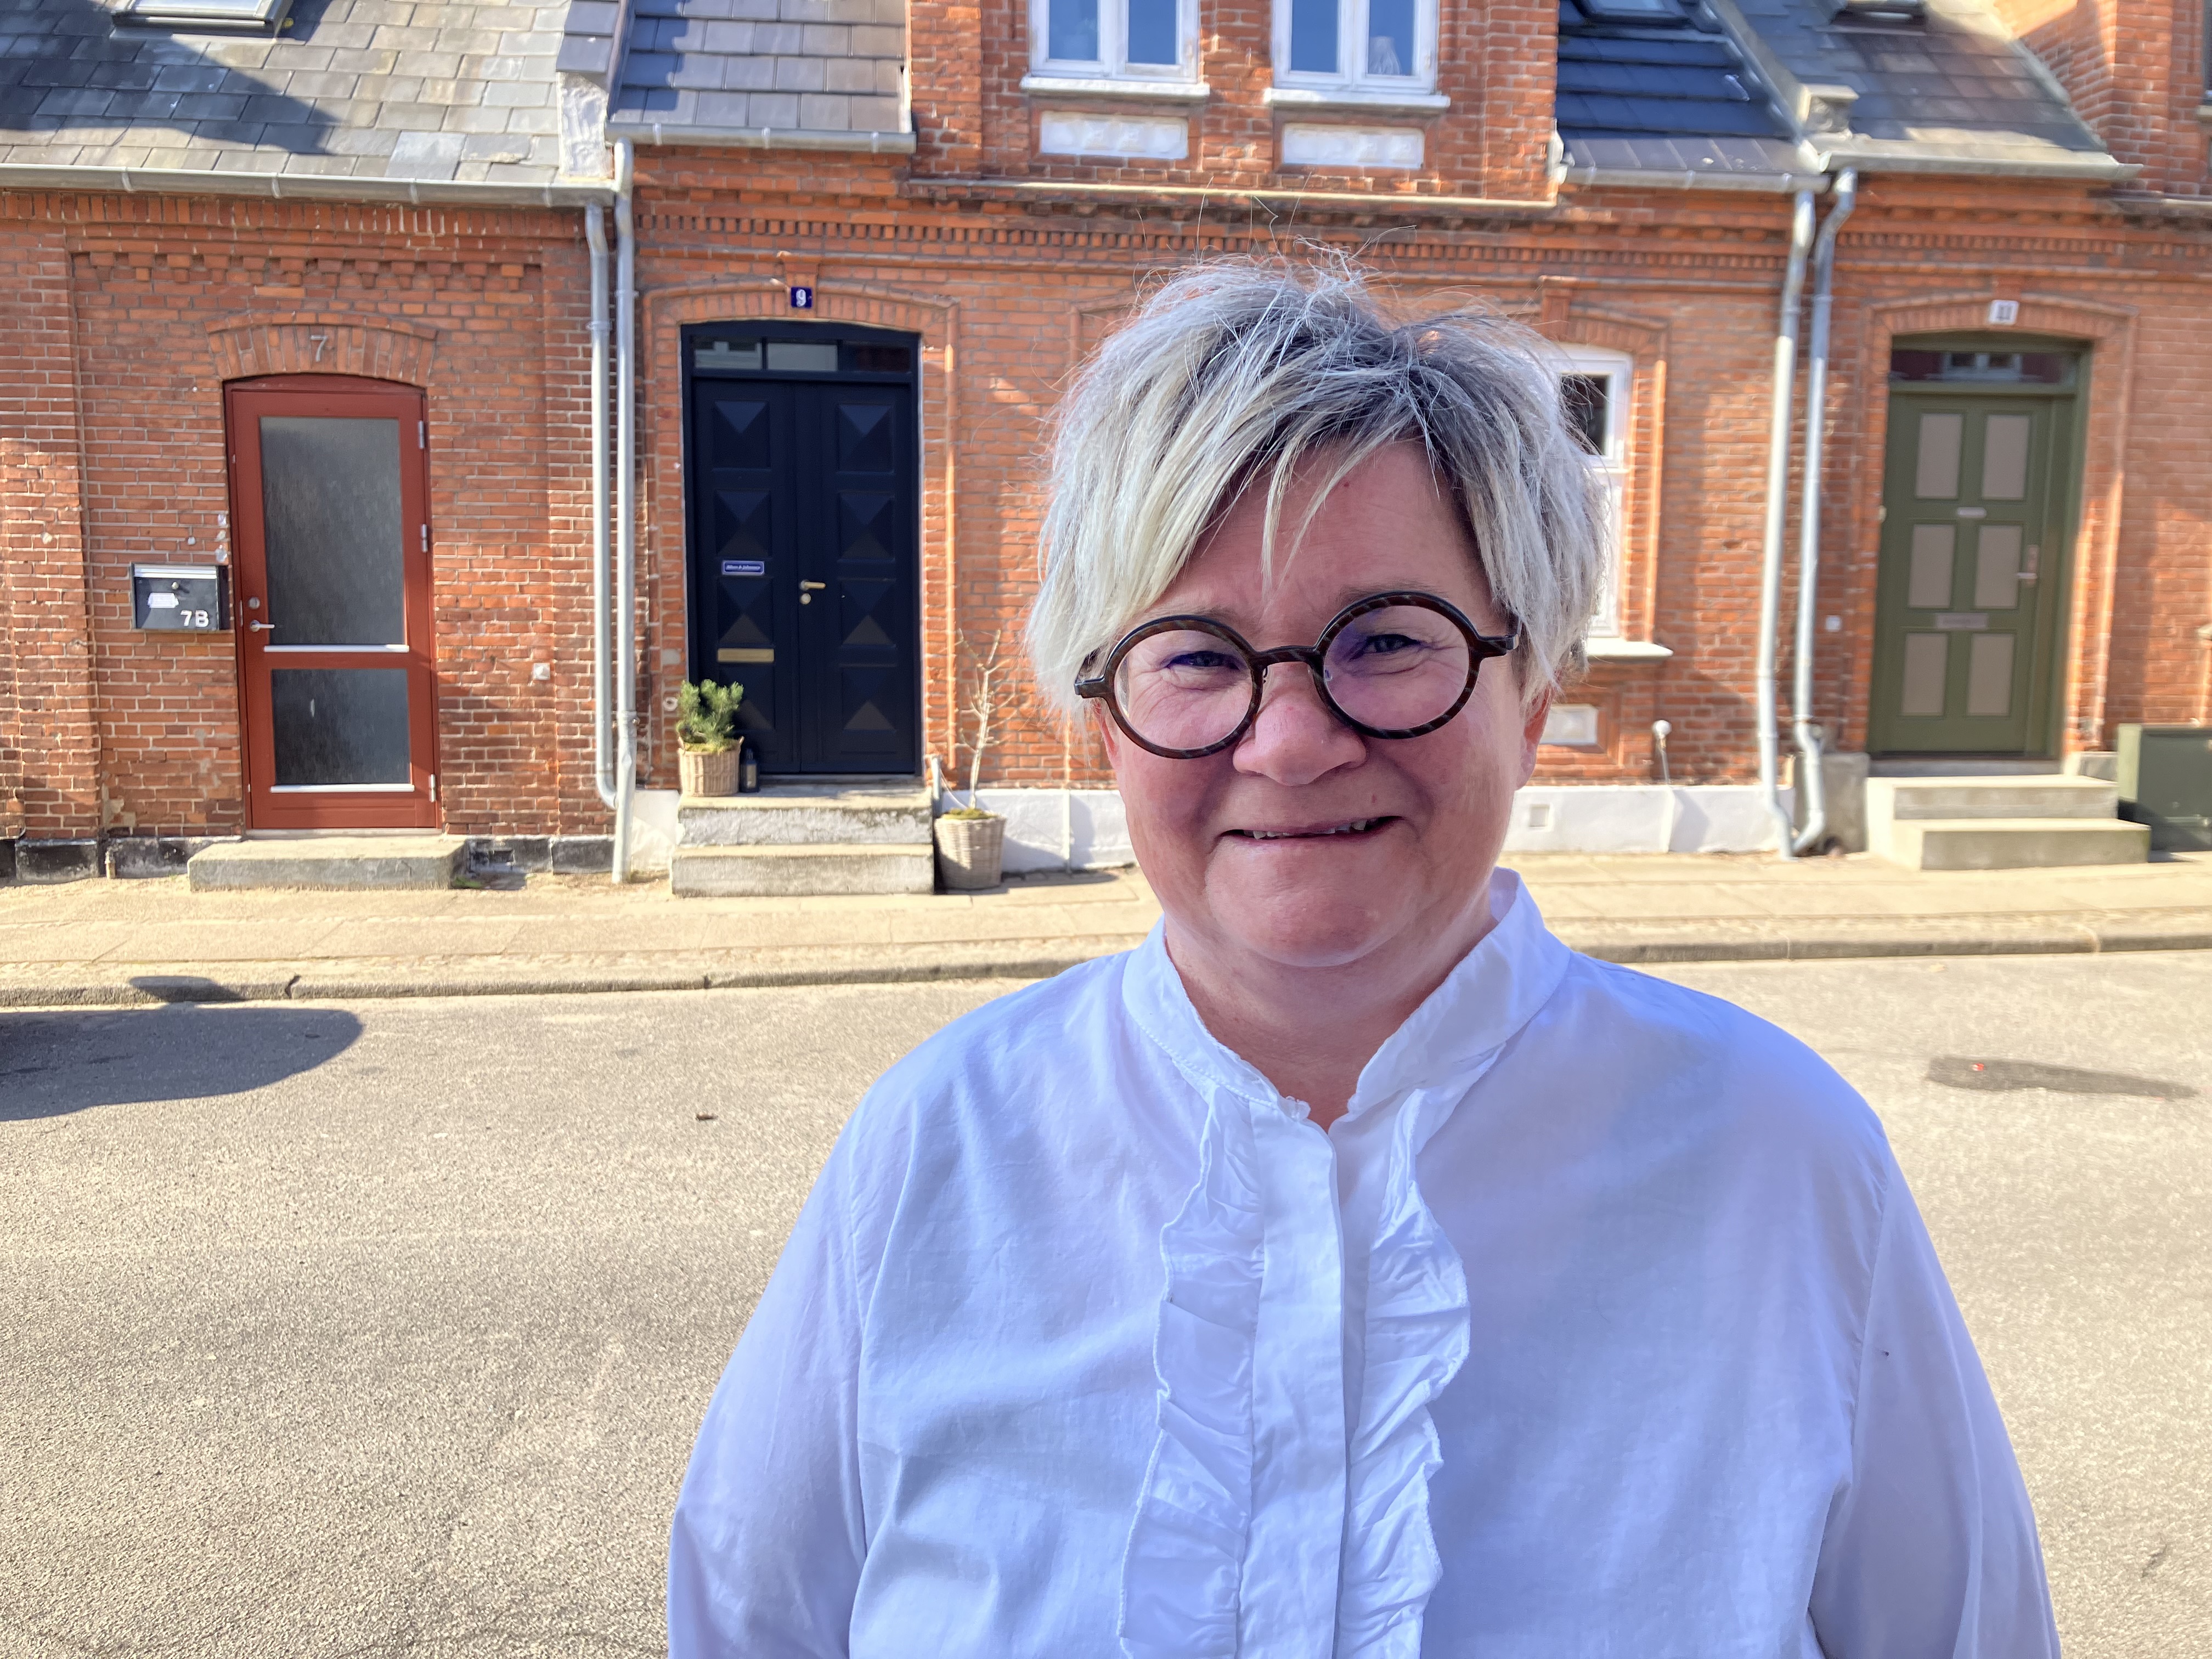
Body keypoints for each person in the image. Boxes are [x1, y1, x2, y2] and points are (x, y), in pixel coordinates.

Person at [667, 263, 2057, 1657]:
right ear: (1106, 726)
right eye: (1195, 656)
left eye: (1388, 639)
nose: (1289, 743)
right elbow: (749, 1621)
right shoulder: (935, 1149)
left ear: (1531, 697)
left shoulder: (1779, 1161)